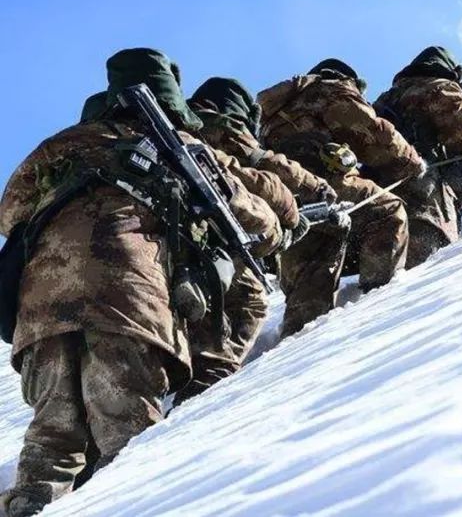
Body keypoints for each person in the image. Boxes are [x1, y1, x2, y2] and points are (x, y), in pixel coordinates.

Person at [0, 49, 281, 516]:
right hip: (127, 302)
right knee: (127, 450)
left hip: (42, 309)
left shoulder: (62, 144)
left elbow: (10, 213)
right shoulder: (184, 149)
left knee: (50, 445)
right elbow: (260, 221)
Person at [178, 77, 329, 401]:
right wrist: (312, 187)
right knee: (249, 300)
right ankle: (205, 387)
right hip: (210, 230)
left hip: (167, 233)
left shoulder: (178, 125)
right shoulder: (223, 126)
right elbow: (258, 168)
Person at [258, 59, 424, 337]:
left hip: (285, 200)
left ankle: (298, 347)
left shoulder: (272, 112)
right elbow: (373, 133)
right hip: (325, 183)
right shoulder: (332, 89)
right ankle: (377, 298)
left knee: (310, 273)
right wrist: (413, 161)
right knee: (387, 210)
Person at [373, 47, 462, 266]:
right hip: (425, 191)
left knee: (385, 277)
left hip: (380, 193)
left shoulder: (385, 98)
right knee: (428, 269)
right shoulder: (441, 87)